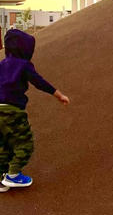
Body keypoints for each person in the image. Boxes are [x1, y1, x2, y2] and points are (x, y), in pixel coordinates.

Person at [0, 29, 69, 191]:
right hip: (13, 111)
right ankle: (14, 175)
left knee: (2, 144)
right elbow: (39, 81)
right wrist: (58, 94)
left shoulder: (1, 65)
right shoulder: (24, 65)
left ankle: (1, 177)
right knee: (24, 143)